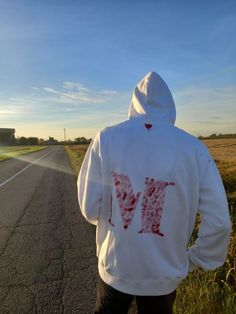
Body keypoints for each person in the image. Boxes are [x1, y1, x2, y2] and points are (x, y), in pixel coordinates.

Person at [77, 72, 231, 314]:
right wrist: (194, 259)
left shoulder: (105, 139)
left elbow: (90, 208)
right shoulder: (194, 149)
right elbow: (220, 221)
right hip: (165, 273)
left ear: (134, 102)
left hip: (116, 266)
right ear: (170, 106)